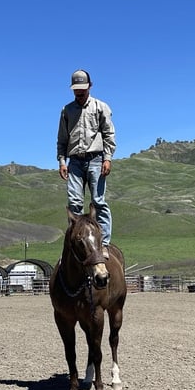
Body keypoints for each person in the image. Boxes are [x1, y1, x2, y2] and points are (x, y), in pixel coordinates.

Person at [57, 69, 116, 259]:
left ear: (90, 86)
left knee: (98, 201)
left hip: (96, 159)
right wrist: (61, 161)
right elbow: (62, 139)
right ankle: (75, 245)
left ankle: (103, 244)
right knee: (74, 203)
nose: (79, 92)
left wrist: (107, 158)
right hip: (74, 161)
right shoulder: (67, 111)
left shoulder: (100, 107)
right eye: (76, 89)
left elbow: (109, 134)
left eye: (83, 88)